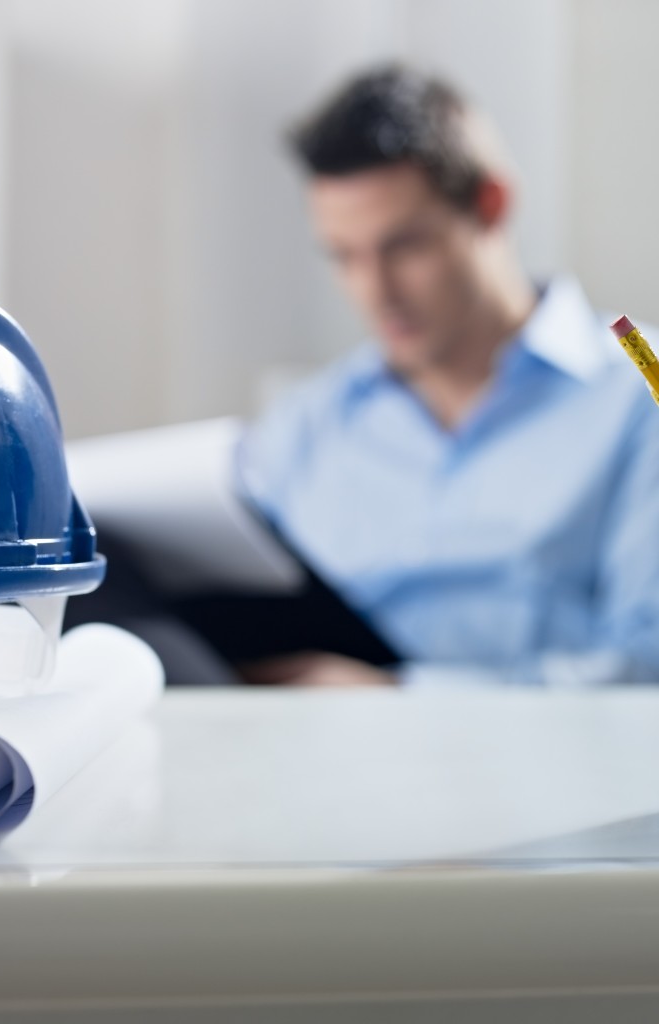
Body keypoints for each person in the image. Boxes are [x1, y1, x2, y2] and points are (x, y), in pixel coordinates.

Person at [236, 64, 659, 689]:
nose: (374, 292)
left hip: (558, 776)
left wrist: (395, 699)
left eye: (405, 246)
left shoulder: (639, 384)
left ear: (491, 206)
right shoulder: (303, 425)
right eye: (344, 256)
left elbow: (645, 669)